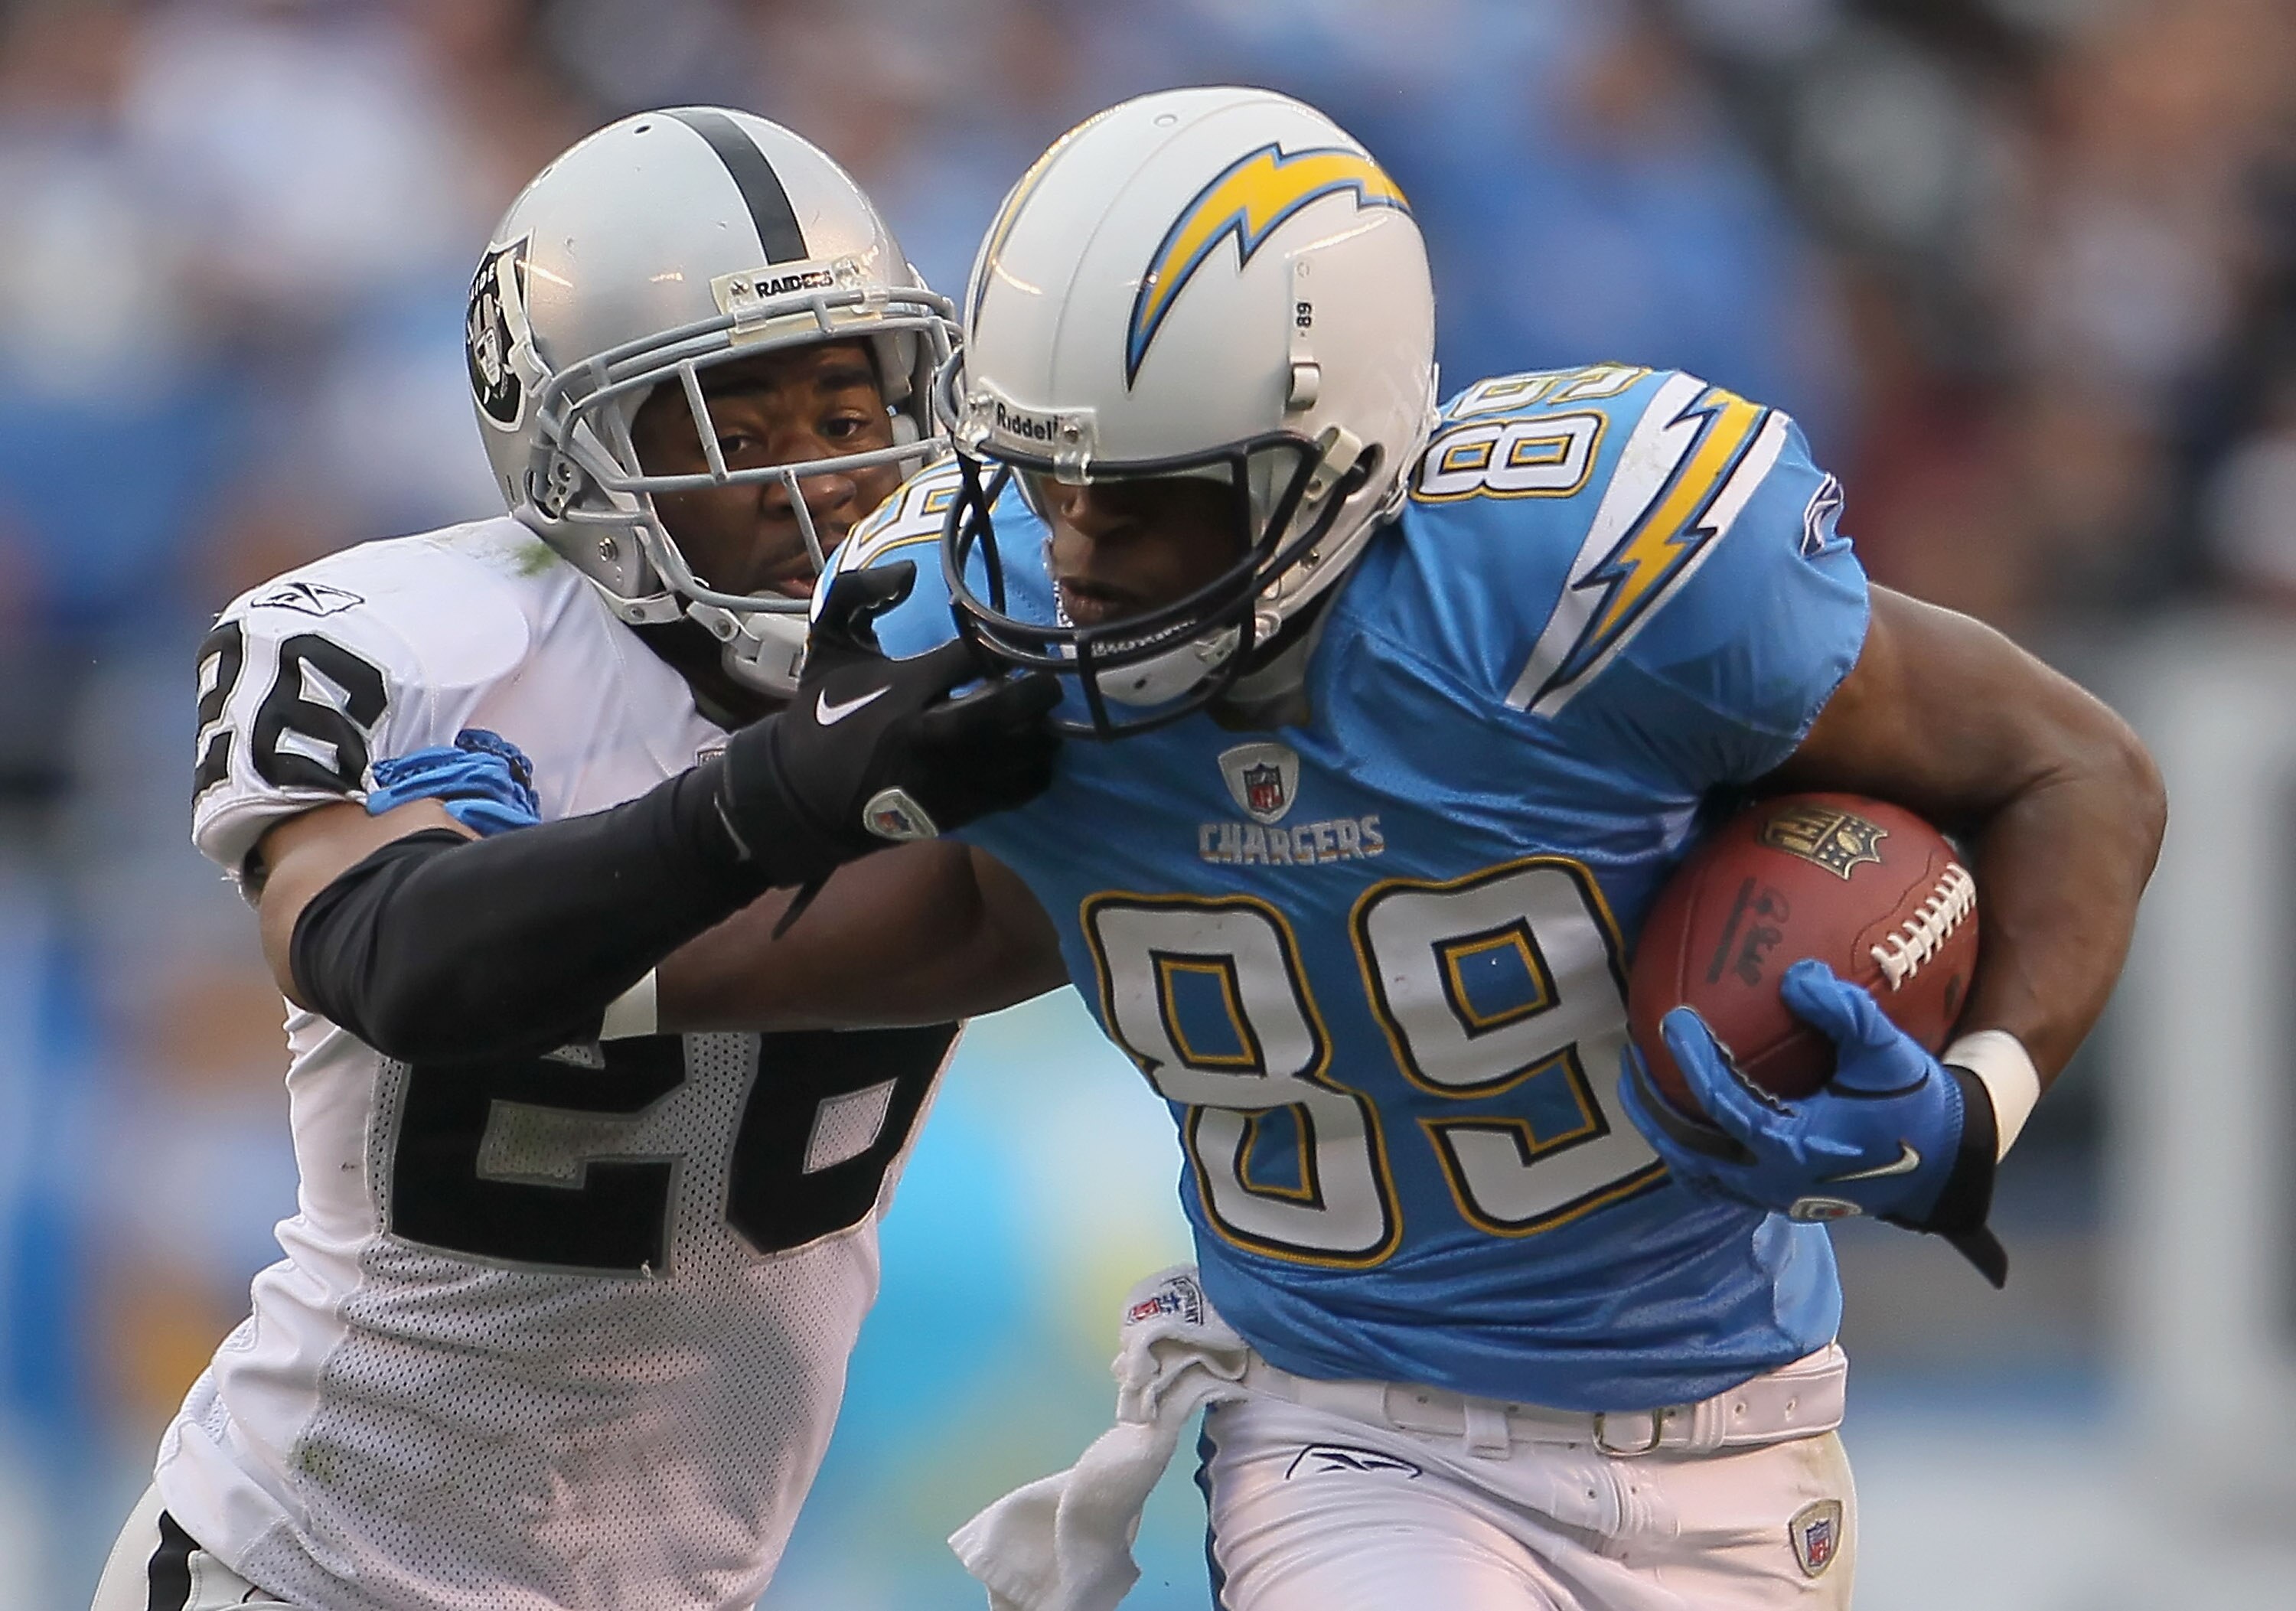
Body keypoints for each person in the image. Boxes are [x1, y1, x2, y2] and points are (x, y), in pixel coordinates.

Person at [653, 85, 2165, 1608]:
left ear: (1332, 458)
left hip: (1740, 1422)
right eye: (1047, 481)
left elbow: (2073, 767)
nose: (1078, 554)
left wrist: (1980, 1102)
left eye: (1146, 496)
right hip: (1347, 1429)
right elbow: (970, 915)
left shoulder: (1587, 582)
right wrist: (591, 940)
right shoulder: (967, 629)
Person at [92, 108, 1062, 1611]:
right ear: (576, 455)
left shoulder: (989, 638)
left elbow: (1028, 925)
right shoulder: (411, 648)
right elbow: (389, 953)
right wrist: (764, 806)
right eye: (737, 430)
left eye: (846, 411)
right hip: (303, 1565)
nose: (818, 482)